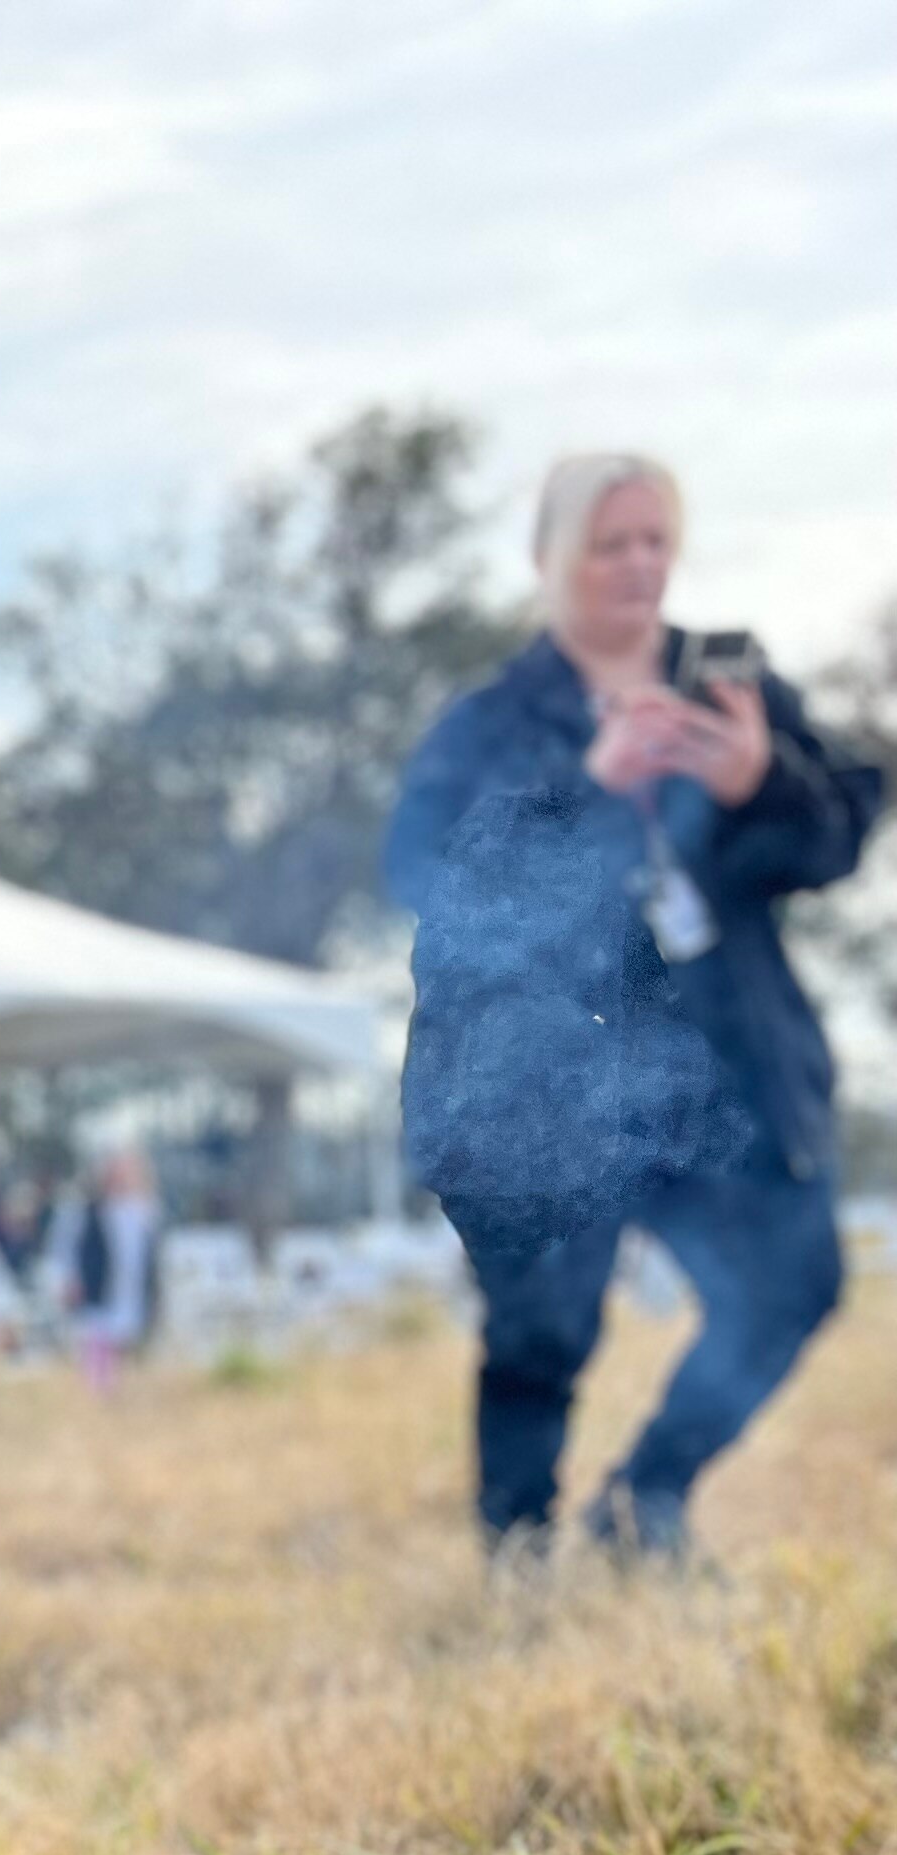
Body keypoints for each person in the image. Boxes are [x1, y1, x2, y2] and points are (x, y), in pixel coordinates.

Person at [389, 453, 882, 1561]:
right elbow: (433, 876)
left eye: (656, 539)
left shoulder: (732, 682)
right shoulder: (495, 721)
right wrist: (588, 789)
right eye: (610, 543)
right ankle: (515, 1555)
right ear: (548, 558)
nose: (639, 565)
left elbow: (841, 830)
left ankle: (644, 1502)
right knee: (544, 1323)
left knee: (792, 1282)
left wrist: (762, 777)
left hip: (723, 1068)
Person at [63, 1147, 160, 1391]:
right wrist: (72, 1279)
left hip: (133, 1287)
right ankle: (99, 1388)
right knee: (99, 1337)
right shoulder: (91, 1210)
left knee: (129, 1340)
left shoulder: (146, 1210)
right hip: (101, 1286)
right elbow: (74, 1248)